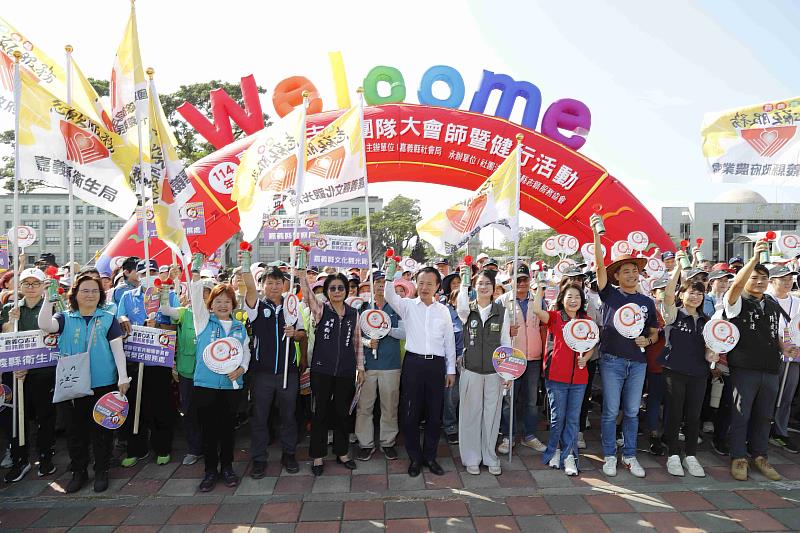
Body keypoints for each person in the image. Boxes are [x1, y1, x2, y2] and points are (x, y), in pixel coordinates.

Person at [38, 273, 130, 493]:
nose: (90, 295)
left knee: (102, 430)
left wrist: (122, 377)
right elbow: (45, 324)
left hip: (103, 383)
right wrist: (48, 299)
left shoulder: (108, 318)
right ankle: (79, 471)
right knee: (75, 431)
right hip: (73, 384)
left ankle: (101, 470)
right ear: (75, 294)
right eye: (85, 290)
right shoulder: (64, 317)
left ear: (101, 295)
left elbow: (118, 350)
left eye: (95, 291)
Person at [590, 214, 658, 478]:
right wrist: (596, 235)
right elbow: (599, 266)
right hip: (612, 361)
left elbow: (653, 332)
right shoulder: (610, 294)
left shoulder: (647, 302)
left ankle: (629, 455)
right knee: (610, 411)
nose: (631, 274)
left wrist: (647, 340)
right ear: (616, 276)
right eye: (625, 271)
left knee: (631, 411)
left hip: (638, 363)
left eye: (635, 270)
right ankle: (610, 455)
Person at [385, 265, 456, 477]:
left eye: (429, 284)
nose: (425, 287)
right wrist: (390, 274)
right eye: (421, 283)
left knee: (434, 414)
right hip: (413, 364)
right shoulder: (407, 306)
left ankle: (430, 457)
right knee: (411, 413)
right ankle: (415, 457)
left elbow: (449, 341)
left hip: (436, 365)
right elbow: (389, 295)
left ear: (437, 286)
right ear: (416, 284)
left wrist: (450, 370)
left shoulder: (443, 310)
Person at [723, 241, 785, 481]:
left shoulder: (772, 303)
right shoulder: (736, 300)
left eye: (764, 278)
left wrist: (784, 346)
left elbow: (774, 332)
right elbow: (736, 285)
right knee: (742, 414)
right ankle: (738, 457)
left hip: (770, 368)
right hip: (744, 368)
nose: (760, 282)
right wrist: (754, 258)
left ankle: (760, 456)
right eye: (754, 277)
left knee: (765, 415)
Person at [188, 254, 251, 492]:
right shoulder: (203, 322)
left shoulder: (239, 327)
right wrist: (195, 273)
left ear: (233, 305)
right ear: (210, 304)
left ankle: (227, 468)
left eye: (227, 301)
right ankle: (210, 471)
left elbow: (245, 352)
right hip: (205, 386)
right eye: (218, 301)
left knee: (227, 430)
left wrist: (241, 369)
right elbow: (195, 296)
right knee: (208, 431)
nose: (223, 305)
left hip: (230, 386)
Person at [297, 258, 365, 476]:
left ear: (346, 290)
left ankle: (342, 452)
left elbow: (357, 342)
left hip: (346, 371)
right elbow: (308, 296)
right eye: (332, 288)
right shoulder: (320, 310)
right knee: (320, 413)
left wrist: (360, 368)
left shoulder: (353, 313)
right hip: (321, 371)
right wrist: (301, 273)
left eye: (340, 288)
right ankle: (317, 456)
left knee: (342, 413)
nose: (337, 291)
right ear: (326, 292)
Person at [243, 264, 307, 477]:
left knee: (289, 416)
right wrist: (245, 266)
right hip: (262, 374)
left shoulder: (291, 305)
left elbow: (302, 334)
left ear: (284, 284)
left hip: (288, 373)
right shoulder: (257, 306)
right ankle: (259, 458)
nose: (274, 286)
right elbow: (249, 289)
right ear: (262, 285)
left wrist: (294, 334)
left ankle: (289, 454)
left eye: (278, 282)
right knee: (260, 417)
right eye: (269, 283)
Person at [117, 259, 180, 468]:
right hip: (134, 359)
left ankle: (162, 447)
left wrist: (158, 325)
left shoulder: (169, 295)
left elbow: (176, 326)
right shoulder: (127, 297)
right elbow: (118, 320)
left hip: (159, 360)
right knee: (135, 406)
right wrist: (123, 319)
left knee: (161, 405)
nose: (148, 276)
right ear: (137, 275)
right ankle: (136, 448)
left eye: (153, 271)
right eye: (144, 273)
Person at [659, 254, 713, 477]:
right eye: (691, 292)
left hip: (699, 374)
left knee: (693, 415)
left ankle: (690, 455)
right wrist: (679, 268)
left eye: (700, 293)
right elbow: (667, 295)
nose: (696, 297)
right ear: (682, 294)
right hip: (674, 372)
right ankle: (673, 454)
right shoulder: (674, 314)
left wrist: (712, 354)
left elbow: (710, 348)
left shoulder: (707, 321)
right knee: (674, 413)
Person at [0, 268, 56, 482]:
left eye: (36, 283)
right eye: (26, 283)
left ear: (43, 286)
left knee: (45, 415)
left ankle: (45, 456)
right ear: (20, 286)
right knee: (17, 417)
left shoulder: (51, 307)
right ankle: (20, 459)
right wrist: (9, 322)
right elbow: (6, 338)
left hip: (44, 370)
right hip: (17, 372)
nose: (31, 288)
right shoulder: (11, 308)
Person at [531, 282, 592, 476]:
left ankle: (569, 456)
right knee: (558, 418)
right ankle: (554, 451)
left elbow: (592, 345)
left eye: (577, 297)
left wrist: (586, 358)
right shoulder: (555, 317)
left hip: (579, 378)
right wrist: (539, 290)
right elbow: (537, 311)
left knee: (573, 419)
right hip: (556, 376)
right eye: (569, 296)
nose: (573, 300)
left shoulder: (587, 320)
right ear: (562, 299)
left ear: (582, 300)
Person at [456, 268, 510, 475]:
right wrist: (464, 283)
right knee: (470, 415)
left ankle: (489, 456)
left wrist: (507, 374)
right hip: (471, 371)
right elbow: (461, 304)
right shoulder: (467, 310)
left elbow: (505, 342)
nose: (484, 287)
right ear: (474, 286)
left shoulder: (502, 312)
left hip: (494, 373)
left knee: (491, 415)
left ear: (494, 288)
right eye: (480, 283)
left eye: (488, 283)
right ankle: (471, 457)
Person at [160, 279, 215, 466]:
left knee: (210, 412)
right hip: (188, 373)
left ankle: (210, 447)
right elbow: (165, 309)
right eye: (199, 293)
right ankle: (194, 449)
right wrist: (164, 290)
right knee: (190, 412)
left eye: (206, 293)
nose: (202, 297)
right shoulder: (185, 313)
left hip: (210, 374)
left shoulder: (217, 316)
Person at [496, 264, 546, 455]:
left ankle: (529, 435)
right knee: (509, 399)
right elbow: (494, 329)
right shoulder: (502, 301)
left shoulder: (538, 300)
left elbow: (544, 327)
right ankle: (508, 436)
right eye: (518, 279)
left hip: (533, 357)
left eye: (525, 279)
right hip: (511, 357)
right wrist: (506, 331)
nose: (522, 283)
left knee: (531, 400)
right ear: (510, 281)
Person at [355, 274, 405, 461]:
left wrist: (385, 329)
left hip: (390, 364)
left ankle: (388, 442)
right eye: (377, 283)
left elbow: (405, 333)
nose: (380, 286)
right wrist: (368, 342)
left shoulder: (397, 307)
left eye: (384, 283)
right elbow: (355, 336)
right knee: (364, 406)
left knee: (390, 405)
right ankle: (365, 443)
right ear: (372, 285)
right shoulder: (363, 307)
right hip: (367, 365)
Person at [766, 265, 800, 454]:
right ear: (772, 281)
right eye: (783, 279)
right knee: (768, 394)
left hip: (794, 354)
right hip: (771, 354)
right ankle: (762, 429)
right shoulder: (765, 299)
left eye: (790, 279)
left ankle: (780, 431)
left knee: (786, 395)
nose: (788, 282)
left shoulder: (797, 301)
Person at [440, 272, 463, 445]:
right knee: (451, 396)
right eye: (454, 283)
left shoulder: (472, 308)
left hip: (471, 361)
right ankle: (449, 426)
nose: (457, 286)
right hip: (450, 361)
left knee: (467, 396)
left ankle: (465, 425)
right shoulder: (443, 310)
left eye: (459, 282)